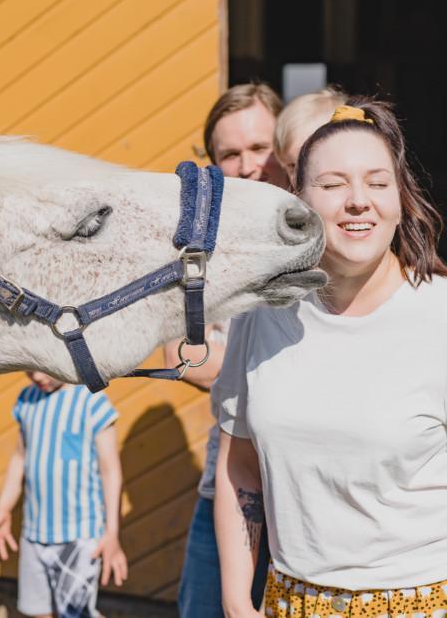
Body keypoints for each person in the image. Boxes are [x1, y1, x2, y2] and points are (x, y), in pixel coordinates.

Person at [214, 97, 447, 618]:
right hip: (290, 602)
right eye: (332, 184)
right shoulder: (263, 313)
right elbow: (241, 471)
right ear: (297, 200)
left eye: (377, 182)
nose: (358, 201)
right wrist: (237, 601)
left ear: (401, 200)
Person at [174, 84, 338, 618]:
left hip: (314, 502)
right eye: (230, 153)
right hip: (228, 487)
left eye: (260, 148)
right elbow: (184, 353)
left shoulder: (331, 241)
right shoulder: (203, 253)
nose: (247, 165)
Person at [0, 370, 128, 618]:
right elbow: (20, 458)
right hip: (34, 534)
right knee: (37, 611)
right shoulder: (26, 400)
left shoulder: (91, 401)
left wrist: (112, 533)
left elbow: (111, 472)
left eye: (43, 368)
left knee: (76, 614)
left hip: (78, 536)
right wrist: (3, 509)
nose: (38, 377)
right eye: (29, 369)